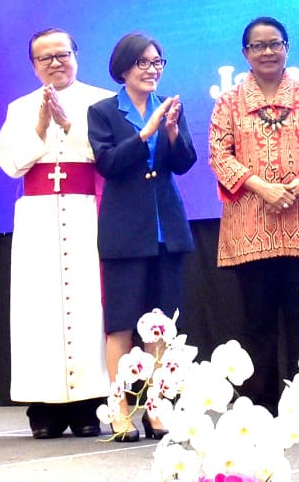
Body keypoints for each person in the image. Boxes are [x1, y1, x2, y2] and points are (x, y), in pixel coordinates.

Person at [208, 17, 299, 413]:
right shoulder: (229, 101)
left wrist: (298, 185)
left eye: (274, 43)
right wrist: (263, 187)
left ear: (287, 48)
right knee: (258, 321)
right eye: (258, 45)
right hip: (251, 225)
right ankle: (262, 404)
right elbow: (219, 153)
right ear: (245, 53)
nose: (267, 51)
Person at [0, 28, 112, 439]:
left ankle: (89, 406)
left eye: (62, 54)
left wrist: (68, 124)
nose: (55, 63)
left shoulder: (103, 101)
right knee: (40, 310)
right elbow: (10, 164)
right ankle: (44, 408)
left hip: (87, 213)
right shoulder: (19, 108)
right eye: (45, 58)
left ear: (76, 56)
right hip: (39, 219)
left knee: (88, 306)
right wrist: (41, 128)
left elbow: (111, 157)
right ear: (33, 65)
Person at [86, 32, 195, 441]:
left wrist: (172, 132)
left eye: (157, 62)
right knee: (121, 325)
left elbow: (184, 163)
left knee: (160, 327)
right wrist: (145, 133)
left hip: (167, 228)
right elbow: (108, 164)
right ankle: (120, 411)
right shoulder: (103, 111)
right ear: (124, 68)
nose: (152, 70)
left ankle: (157, 408)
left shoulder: (170, 106)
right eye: (143, 63)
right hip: (124, 232)